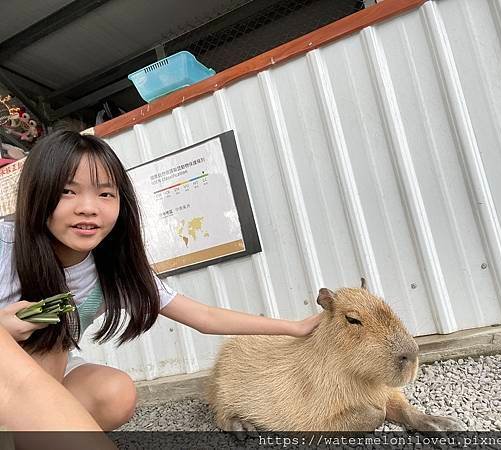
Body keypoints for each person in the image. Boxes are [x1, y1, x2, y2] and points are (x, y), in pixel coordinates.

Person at [0, 130, 321, 431]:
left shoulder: (114, 265)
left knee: (115, 393)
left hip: (50, 373)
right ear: (38, 194)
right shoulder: (5, 243)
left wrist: (295, 328)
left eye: (105, 194)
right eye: (67, 191)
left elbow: (204, 317)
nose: (88, 208)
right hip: (16, 373)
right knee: (44, 344)